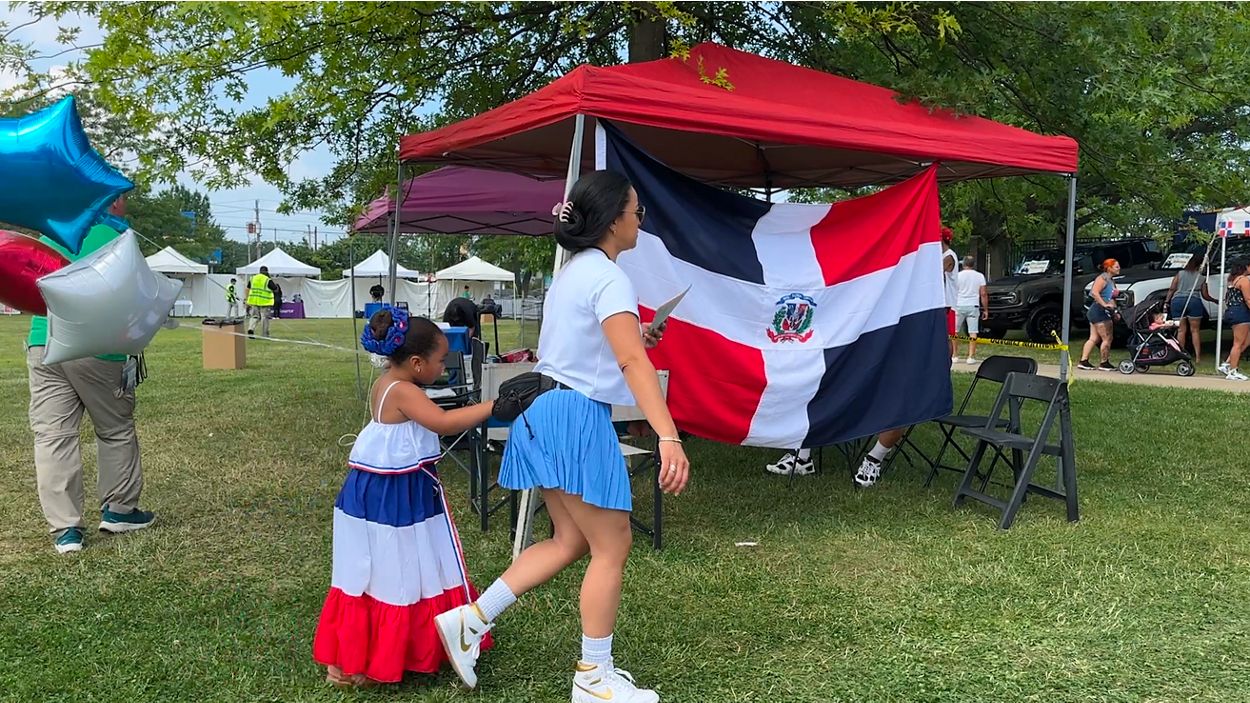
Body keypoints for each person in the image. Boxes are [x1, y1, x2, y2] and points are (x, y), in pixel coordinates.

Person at [433, 170, 688, 702]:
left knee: (570, 541)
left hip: (542, 410)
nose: (641, 221)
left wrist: (640, 335)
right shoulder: (610, 278)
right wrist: (668, 436)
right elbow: (630, 362)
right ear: (613, 219)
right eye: (637, 212)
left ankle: (470, 621)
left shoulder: (575, 271)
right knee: (613, 545)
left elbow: (593, 346)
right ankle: (593, 677)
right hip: (573, 416)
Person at [313, 309, 496, 687]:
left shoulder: (387, 382)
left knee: (386, 569)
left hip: (385, 490)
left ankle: (362, 654)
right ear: (416, 363)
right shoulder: (404, 391)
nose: (443, 367)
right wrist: (496, 406)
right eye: (440, 360)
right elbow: (443, 423)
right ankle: (372, 657)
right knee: (397, 567)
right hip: (394, 498)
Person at [26, 224, 154, 554]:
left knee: (53, 435)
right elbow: (136, 297)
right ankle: (119, 509)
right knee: (115, 428)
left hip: (44, 340)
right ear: (112, 202)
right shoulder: (118, 239)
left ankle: (66, 529)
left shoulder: (49, 234)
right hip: (96, 344)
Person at [1166, 253, 1217, 365]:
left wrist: (1166, 301)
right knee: (1195, 331)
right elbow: (1205, 295)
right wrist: (1215, 300)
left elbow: (1172, 289)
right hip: (1194, 301)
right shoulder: (1201, 278)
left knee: (1181, 330)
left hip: (1178, 301)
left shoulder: (1180, 274)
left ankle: (1180, 356)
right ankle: (1198, 357)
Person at [1078, 258, 1120, 371]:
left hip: (1100, 311)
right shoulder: (1102, 278)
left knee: (1094, 338)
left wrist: (1115, 311)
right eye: (1116, 267)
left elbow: (1111, 298)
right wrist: (1104, 305)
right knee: (1107, 338)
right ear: (1109, 268)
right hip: (1099, 311)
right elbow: (1094, 293)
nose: (1119, 268)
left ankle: (1083, 361)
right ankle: (1104, 363)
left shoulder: (1111, 280)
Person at [1218, 260, 1250, 381]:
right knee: (1238, 343)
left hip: (1232, 311)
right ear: (1246, 267)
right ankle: (1233, 370)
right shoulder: (1244, 280)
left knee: (1246, 341)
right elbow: (1248, 299)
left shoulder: (1232, 280)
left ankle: (1227, 364)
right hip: (1241, 312)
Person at [954, 255, 989, 363]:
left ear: (963, 264)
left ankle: (954, 355)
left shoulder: (957, 276)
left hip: (959, 304)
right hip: (973, 305)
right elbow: (983, 294)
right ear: (973, 264)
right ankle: (971, 356)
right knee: (973, 332)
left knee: (955, 331)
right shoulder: (979, 276)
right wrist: (985, 309)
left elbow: (953, 291)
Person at [941, 227, 959, 364]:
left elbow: (937, 272)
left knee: (946, 336)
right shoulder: (945, 255)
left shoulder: (948, 256)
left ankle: (947, 362)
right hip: (944, 303)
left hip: (948, 304)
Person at [245, 265, 274, 337]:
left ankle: (251, 328)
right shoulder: (267, 279)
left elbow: (247, 288)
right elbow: (274, 288)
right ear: (266, 272)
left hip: (254, 301)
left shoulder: (253, 278)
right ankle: (264, 334)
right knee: (264, 318)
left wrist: (247, 299)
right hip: (264, 302)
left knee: (254, 316)